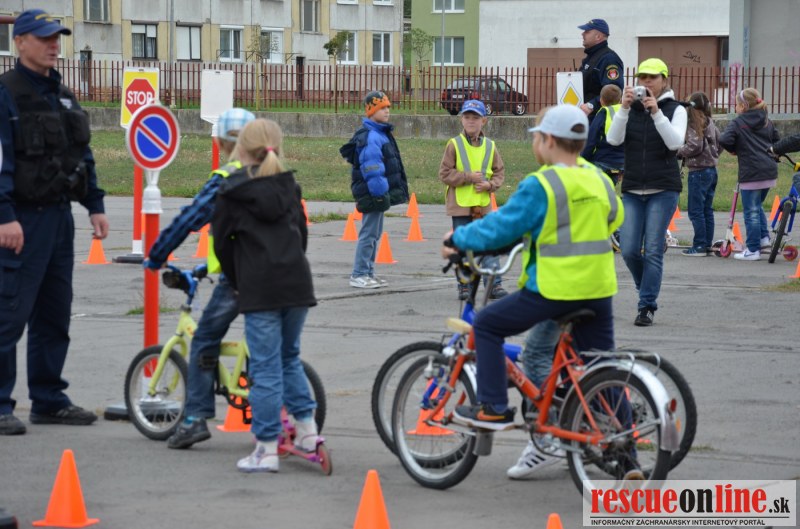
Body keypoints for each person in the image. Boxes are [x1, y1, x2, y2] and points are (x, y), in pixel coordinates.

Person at [441, 105, 623, 435]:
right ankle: (622, 429)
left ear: (549, 141)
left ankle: (495, 408)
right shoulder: (598, 178)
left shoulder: (543, 184)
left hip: (555, 290)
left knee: (487, 325)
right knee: (599, 362)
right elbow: (614, 217)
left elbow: (502, 226)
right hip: (598, 289)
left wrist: (458, 239)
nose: (535, 144)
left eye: (536, 138)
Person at [0, 9, 110, 435]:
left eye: (57, 38)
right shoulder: (6, 94)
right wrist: (5, 216)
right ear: (20, 42)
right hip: (21, 221)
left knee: (53, 314)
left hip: (59, 220)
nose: (53, 45)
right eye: (44, 38)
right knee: (9, 314)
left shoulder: (62, 95)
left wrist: (95, 204)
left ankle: (48, 399)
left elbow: (81, 153)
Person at [144, 108, 256, 449]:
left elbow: (189, 218)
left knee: (204, 338)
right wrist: (207, 268)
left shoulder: (227, 178)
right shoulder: (273, 173)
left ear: (222, 143)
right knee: (266, 343)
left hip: (241, 279)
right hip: (281, 273)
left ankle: (194, 419)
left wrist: (157, 255)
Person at [212, 118, 319, 473]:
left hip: (260, 287)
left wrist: (236, 280)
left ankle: (266, 447)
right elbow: (301, 235)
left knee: (265, 368)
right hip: (296, 283)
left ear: (241, 149)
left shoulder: (232, 192)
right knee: (289, 358)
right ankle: (307, 432)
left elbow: (222, 245)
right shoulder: (290, 186)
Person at [607, 58, 687, 327]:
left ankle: (646, 306)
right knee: (629, 249)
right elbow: (613, 139)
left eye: (653, 77)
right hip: (632, 188)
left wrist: (656, 113)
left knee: (653, 249)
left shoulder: (676, 109)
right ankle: (646, 289)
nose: (647, 82)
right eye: (642, 77)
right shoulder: (629, 109)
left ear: (664, 80)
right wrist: (623, 108)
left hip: (663, 189)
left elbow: (675, 143)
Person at [439, 99, 508, 300]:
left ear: (483, 121)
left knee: (489, 243)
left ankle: (493, 284)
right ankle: (465, 285)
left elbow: (499, 172)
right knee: (462, 245)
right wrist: (468, 177)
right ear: (461, 119)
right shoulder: (454, 144)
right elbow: (444, 173)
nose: (471, 121)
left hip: (483, 205)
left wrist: (490, 185)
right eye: (467, 117)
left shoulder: (490, 146)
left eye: (475, 118)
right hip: (460, 205)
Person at [340, 91, 409, 289]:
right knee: (368, 234)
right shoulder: (371, 136)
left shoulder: (379, 133)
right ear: (371, 111)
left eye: (388, 107)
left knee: (375, 234)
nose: (387, 111)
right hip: (372, 193)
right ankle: (359, 274)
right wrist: (379, 194)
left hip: (376, 192)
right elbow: (372, 168)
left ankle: (368, 272)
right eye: (382, 108)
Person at [719, 88, 780, 261]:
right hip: (769, 171)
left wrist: (734, 150)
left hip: (751, 172)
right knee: (757, 206)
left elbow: (724, 140)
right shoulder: (767, 121)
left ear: (743, 106)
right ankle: (763, 240)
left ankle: (753, 249)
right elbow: (777, 141)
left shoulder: (739, 122)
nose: (735, 108)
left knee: (751, 211)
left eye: (736, 104)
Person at [678, 92, 721, 257]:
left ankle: (699, 245)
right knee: (707, 209)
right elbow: (721, 142)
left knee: (695, 210)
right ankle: (707, 244)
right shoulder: (710, 122)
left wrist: (679, 152)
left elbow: (694, 145)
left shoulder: (693, 123)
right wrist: (714, 155)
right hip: (712, 170)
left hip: (698, 172)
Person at [577, 19, 624, 121]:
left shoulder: (609, 59)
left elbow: (613, 91)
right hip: (586, 117)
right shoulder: (591, 57)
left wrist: (591, 105)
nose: (582, 34)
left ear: (598, 36)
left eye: (587, 31)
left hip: (599, 119)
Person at [581, 84, 625, 184]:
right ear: (620, 100)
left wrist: (583, 158)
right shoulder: (626, 112)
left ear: (601, 100)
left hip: (603, 160)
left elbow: (591, 140)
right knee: (610, 186)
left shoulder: (604, 113)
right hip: (622, 162)